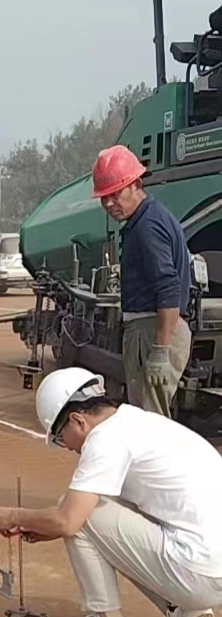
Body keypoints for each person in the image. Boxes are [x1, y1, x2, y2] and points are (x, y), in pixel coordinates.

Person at [0, 367, 222, 617]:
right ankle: (181, 609)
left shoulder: (104, 440)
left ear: (77, 420)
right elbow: (111, 523)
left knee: (80, 515)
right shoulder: (137, 421)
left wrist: (16, 516)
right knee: (103, 506)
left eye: (62, 438)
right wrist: (50, 527)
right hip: (209, 566)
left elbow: (70, 520)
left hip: (196, 571)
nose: (67, 448)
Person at [91, 146, 192, 417]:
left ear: (136, 184)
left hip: (152, 330)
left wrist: (159, 350)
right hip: (153, 329)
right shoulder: (149, 219)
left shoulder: (147, 226)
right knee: (149, 419)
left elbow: (168, 285)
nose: (110, 203)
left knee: (149, 423)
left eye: (116, 193)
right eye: (104, 198)